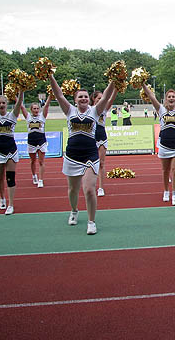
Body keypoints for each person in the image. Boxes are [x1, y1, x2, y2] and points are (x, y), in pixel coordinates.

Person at [49, 73, 115, 235]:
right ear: (75, 100)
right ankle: (74, 210)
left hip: (90, 155)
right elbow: (58, 94)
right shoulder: (69, 110)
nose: (84, 98)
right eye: (80, 96)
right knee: (73, 189)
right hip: (72, 155)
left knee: (89, 189)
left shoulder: (95, 111)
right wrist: (50, 75)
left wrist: (114, 79)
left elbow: (106, 96)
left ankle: (91, 222)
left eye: (85, 96)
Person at [91, 88, 118, 197]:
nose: (101, 100)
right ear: (93, 99)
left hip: (101, 136)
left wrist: (116, 88)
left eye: (102, 98)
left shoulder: (104, 109)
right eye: (99, 98)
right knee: (90, 163)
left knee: (101, 163)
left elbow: (111, 99)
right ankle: (91, 184)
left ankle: (101, 187)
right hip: (91, 137)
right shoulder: (89, 109)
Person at [20, 96, 51, 188]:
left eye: (37, 108)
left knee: (41, 161)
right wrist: (15, 97)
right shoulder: (28, 117)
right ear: (31, 110)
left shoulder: (42, 116)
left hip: (41, 140)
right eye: (34, 108)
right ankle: (34, 176)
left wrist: (50, 96)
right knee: (33, 161)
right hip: (31, 141)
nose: (36, 110)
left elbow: (46, 106)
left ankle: (41, 180)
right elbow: (21, 107)